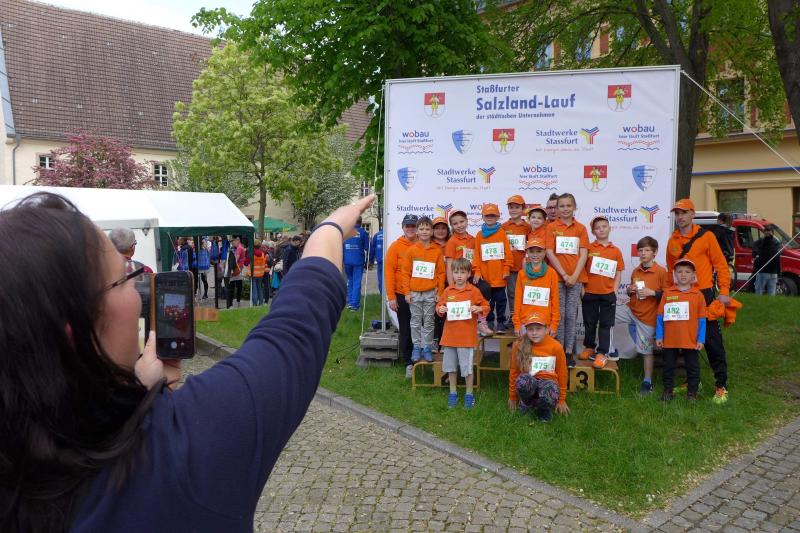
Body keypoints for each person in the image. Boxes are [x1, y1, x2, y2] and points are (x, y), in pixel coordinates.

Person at [0, 191, 375, 531]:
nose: (138, 292)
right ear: (76, 333)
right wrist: (329, 228)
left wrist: (137, 393)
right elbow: (294, 329)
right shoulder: (183, 451)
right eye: (125, 279)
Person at [667, 198, 731, 404]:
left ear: (693, 214)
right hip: (681, 295)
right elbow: (670, 271)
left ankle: (721, 385)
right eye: (677, 213)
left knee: (712, 340)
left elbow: (721, 265)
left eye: (684, 213)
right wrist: (670, 294)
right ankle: (693, 381)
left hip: (703, 295)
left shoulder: (707, 236)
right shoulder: (672, 240)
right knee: (685, 340)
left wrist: (724, 290)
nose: (680, 217)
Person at [615, 236, 671, 395]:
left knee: (646, 351)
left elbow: (668, 295)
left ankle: (647, 382)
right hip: (631, 310)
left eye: (647, 250)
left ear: (655, 252)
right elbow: (631, 292)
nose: (643, 253)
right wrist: (629, 290)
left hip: (647, 318)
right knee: (607, 315)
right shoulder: (636, 270)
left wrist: (652, 293)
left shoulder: (661, 271)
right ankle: (608, 350)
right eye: (640, 250)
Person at [435, 258, 489, 409]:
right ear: (452, 273)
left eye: (463, 272)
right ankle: (452, 393)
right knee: (450, 368)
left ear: (469, 274)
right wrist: (440, 309)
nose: (459, 275)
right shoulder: (448, 290)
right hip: (449, 337)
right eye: (456, 272)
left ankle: (469, 394)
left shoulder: (474, 291)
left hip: (466, 338)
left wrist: (479, 309)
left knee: (467, 369)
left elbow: (486, 305)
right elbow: (439, 306)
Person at [545, 193, 589, 368]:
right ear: (557, 209)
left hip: (575, 279)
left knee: (571, 315)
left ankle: (569, 352)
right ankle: (559, 350)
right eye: (561, 206)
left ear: (574, 207)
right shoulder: (551, 227)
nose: (565, 209)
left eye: (568, 205)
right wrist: (564, 275)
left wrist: (574, 276)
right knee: (559, 316)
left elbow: (584, 253)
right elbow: (549, 252)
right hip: (557, 278)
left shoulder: (581, 228)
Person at [656, 258, 708, 402]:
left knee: (692, 367)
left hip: (690, 339)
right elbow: (660, 317)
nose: (683, 274)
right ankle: (668, 391)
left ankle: (692, 393)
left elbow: (702, 320)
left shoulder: (698, 295)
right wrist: (659, 336)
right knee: (668, 367)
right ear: (674, 274)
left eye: (687, 272)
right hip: (670, 339)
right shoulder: (667, 293)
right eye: (680, 272)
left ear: (693, 275)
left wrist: (701, 339)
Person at [578, 216, 624, 369]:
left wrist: (614, 291)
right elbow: (582, 270)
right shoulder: (588, 248)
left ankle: (602, 353)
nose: (601, 229)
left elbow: (618, 272)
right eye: (598, 228)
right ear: (593, 232)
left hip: (607, 294)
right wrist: (583, 290)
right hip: (589, 293)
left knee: (606, 324)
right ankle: (589, 347)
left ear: (609, 228)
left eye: (604, 226)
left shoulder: (616, 251)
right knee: (589, 323)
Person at [507, 311, 570, 422]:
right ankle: (526, 403)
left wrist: (562, 400)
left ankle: (543, 409)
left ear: (546, 329)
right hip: (529, 382)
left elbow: (562, 373)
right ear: (526, 330)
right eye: (530, 329)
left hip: (547, 382)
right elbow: (513, 371)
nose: (534, 333)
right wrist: (512, 396)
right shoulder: (518, 345)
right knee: (523, 380)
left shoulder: (556, 347)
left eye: (538, 329)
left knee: (550, 388)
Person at [400, 216, 445, 363]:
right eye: (421, 229)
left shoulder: (437, 251)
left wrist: (440, 292)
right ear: (417, 232)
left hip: (431, 292)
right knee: (415, 321)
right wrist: (407, 292)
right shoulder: (411, 251)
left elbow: (441, 273)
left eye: (427, 229)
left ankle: (427, 348)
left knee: (429, 322)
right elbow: (405, 273)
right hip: (414, 293)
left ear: (432, 232)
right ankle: (416, 347)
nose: (424, 231)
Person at [472, 203, 513, 333]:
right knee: (487, 302)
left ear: (498, 217)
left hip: (500, 277)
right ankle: (489, 321)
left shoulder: (502, 233)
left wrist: (506, 269)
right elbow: (477, 255)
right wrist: (477, 271)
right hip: (485, 278)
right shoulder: (479, 235)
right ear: (482, 217)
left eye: (493, 215)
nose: (490, 217)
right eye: (487, 215)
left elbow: (508, 254)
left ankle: (500, 322)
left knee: (501, 301)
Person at [386, 214, 418, 378]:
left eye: (413, 226)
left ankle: (423, 358)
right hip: (401, 294)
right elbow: (389, 272)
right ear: (403, 227)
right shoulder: (395, 246)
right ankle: (409, 362)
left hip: (421, 293)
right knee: (406, 328)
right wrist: (391, 297)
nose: (410, 229)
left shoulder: (424, 244)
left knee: (422, 327)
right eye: (408, 226)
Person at [513, 237, 560, 338]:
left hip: (545, 324)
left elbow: (555, 301)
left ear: (544, 252)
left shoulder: (551, 273)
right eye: (532, 251)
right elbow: (517, 300)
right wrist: (517, 324)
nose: (535, 255)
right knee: (525, 348)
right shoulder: (521, 274)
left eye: (539, 251)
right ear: (527, 253)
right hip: (525, 323)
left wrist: (554, 325)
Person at [502, 194, 532, 332]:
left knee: (525, 293)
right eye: (511, 207)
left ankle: (525, 317)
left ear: (523, 209)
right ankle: (515, 317)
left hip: (524, 267)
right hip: (510, 267)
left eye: (517, 207)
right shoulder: (503, 227)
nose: (514, 210)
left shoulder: (528, 227)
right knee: (512, 293)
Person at [343, 217, 370, 310]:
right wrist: (369, 260)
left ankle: (350, 301)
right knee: (356, 282)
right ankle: (354, 304)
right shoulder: (363, 232)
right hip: (358, 260)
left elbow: (342, 246)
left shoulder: (347, 232)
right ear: (361, 222)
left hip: (347, 260)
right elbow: (367, 248)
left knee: (350, 281)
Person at [752, 224, 782, 296]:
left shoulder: (775, 243)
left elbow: (777, 256)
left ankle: (764, 302)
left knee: (765, 292)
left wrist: (778, 272)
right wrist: (755, 254)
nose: (767, 234)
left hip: (771, 271)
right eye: (766, 232)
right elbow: (755, 247)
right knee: (763, 292)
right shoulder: (772, 242)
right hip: (764, 270)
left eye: (768, 232)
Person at [224, 237, 244, 308]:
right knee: (238, 286)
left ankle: (231, 303)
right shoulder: (240, 247)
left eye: (233, 241)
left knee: (232, 286)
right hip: (239, 269)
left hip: (236, 270)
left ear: (237, 240)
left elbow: (235, 260)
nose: (232, 243)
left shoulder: (239, 248)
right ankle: (237, 301)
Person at [250, 239, 267, 306]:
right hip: (260, 274)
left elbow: (246, 263)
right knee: (259, 288)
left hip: (253, 274)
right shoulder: (262, 254)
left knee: (254, 289)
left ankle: (254, 304)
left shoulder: (251, 254)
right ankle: (261, 302)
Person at [368, 227, 384, 294]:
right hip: (389, 259)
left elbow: (372, 249)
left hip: (380, 259)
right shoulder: (390, 234)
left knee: (380, 278)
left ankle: (382, 294)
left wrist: (371, 261)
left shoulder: (377, 235)